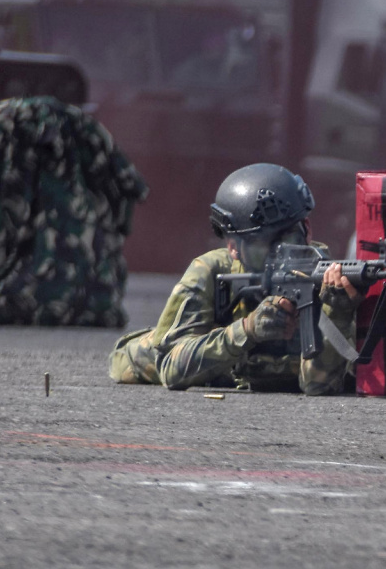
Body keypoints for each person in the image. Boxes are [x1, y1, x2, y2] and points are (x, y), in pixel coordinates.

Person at [108, 163, 361, 395]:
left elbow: (317, 385)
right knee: (136, 356)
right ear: (232, 247)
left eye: (289, 237)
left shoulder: (326, 278)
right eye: (261, 244)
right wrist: (247, 330)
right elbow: (170, 369)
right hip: (195, 358)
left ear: (308, 229)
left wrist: (337, 312)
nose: (279, 252)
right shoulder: (212, 271)